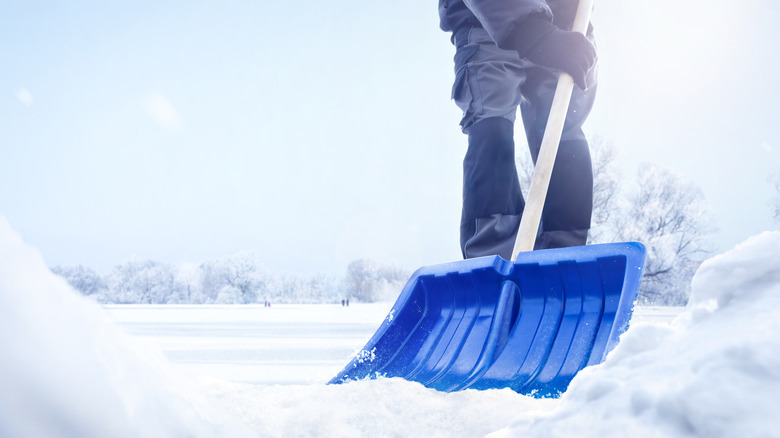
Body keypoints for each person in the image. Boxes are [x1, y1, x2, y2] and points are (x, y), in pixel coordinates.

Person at [439, 0, 598, 260]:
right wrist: (532, 32)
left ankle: (564, 258)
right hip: (487, 19)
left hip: (568, 26)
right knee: (492, 122)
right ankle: (493, 257)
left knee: (562, 133)